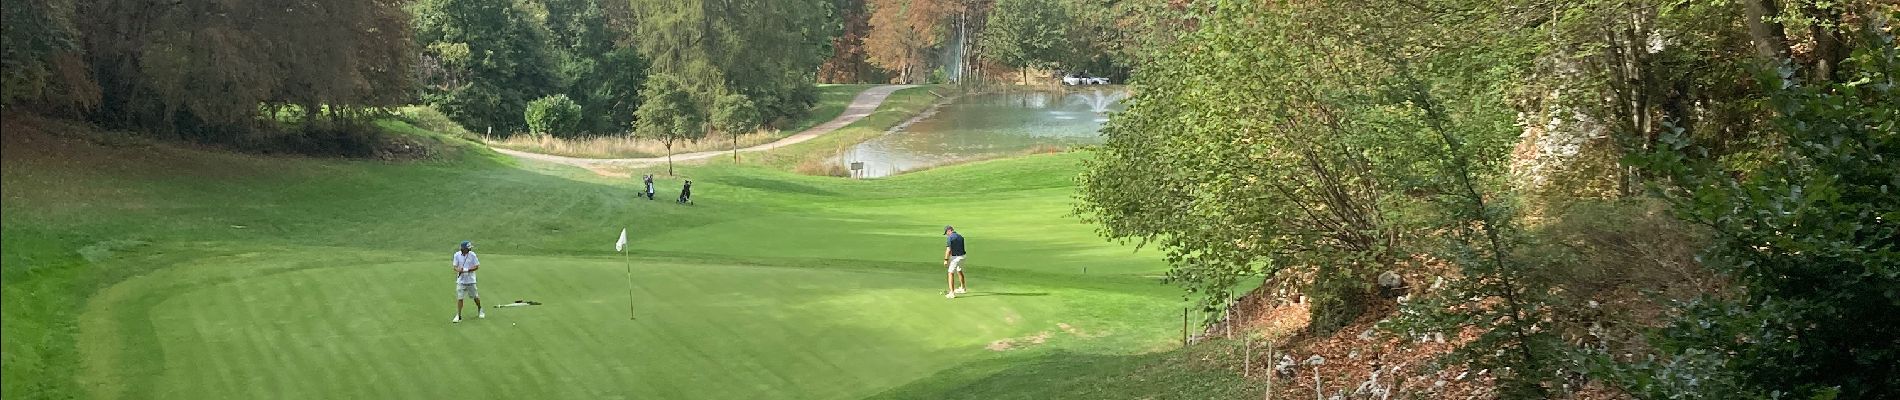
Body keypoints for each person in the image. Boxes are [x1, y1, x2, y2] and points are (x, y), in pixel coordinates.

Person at [452, 240, 485, 323]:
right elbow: (455, 267)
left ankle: (480, 309)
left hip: (471, 280)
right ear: (463, 249)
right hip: (461, 281)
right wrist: (458, 269)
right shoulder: (457, 255)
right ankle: (459, 315)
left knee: (475, 297)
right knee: (460, 298)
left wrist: (467, 270)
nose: (470, 249)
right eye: (468, 248)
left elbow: (477, 266)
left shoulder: (472, 255)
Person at [942, 226, 968, 298]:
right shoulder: (960, 236)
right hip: (963, 256)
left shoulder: (950, 238)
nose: (947, 234)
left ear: (949, 230)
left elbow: (948, 250)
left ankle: (952, 293)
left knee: (950, 273)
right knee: (959, 270)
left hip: (956, 257)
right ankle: (963, 288)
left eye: (946, 232)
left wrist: (946, 260)